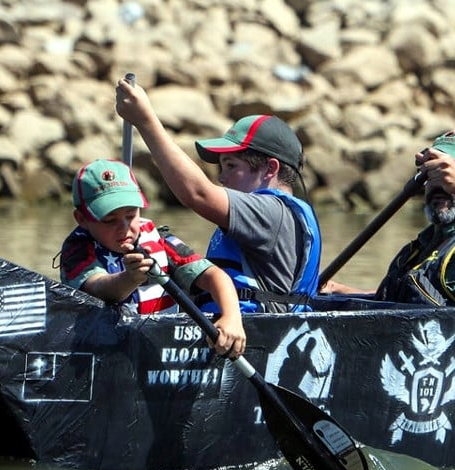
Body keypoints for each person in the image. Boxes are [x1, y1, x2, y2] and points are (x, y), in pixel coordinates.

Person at [114, 80, 320, 313]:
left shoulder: (271, 211)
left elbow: (198, 194)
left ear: (270, 169)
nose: (222, 178)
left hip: (248, 337)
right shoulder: (278, 215)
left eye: (231, 166)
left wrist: (145, 121)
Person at [321, 129, 455, 307]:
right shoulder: (417, 248)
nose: (440, 182)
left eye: (451, 172)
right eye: (431, 172)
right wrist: (337, 290)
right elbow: (395, 304)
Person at [59, 158, 246, 359]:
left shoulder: (159, 240)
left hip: (159, 351)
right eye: (110, 220)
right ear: (82, 219)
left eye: (131, 215)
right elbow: (98, 289)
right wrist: (130, 278)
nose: (124, 227)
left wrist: (232, 317)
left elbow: (214, 275)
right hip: (104, 354)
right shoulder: (76, 251)